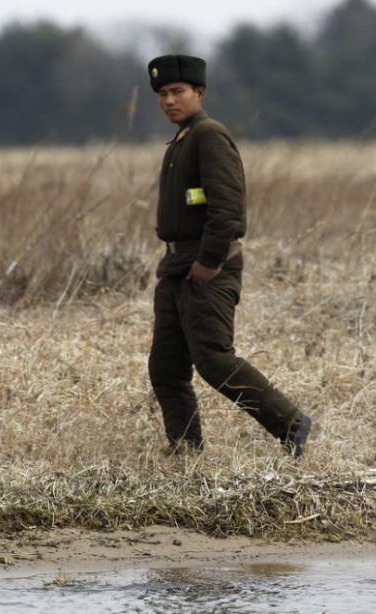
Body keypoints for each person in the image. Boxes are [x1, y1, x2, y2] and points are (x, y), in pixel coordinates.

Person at [146, 54, 312, 458]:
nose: (169, 100)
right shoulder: (182, 140)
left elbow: (228, 209)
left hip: (205, 268)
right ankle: (185, 448)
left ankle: (290, 423)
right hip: (175, 267)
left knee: (214, 359)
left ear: (199, 92)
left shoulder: (209, 135)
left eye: (178, 91)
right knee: (166, 367)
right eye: (163, 93)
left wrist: (210, 261)